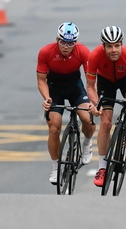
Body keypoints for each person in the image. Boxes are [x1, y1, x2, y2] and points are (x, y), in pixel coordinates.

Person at [85, 26, 126, 188]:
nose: (114, 50)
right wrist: (96, 105)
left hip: (125, 79)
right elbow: (90, 86)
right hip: (105, 82)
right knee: (105, 123)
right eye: (109, 46)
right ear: (103, 46)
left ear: (122, 44)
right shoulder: (95, 56)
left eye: (117, 45)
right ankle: (102, 168)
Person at [37, 22, 96, 185]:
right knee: (54, 128)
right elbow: (41, 80)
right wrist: (46, 98)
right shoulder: (46, 52)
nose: (66, 47)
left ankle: (87, 143)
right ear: (57, 39)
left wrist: (93, 101)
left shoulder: (83, 51)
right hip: (54, 90)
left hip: (75, 88)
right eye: (63, 42)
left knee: (88, 119)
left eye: (71, 43)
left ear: (76, 42)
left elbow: (91, 81)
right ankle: (56, 168)